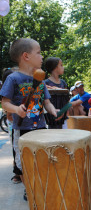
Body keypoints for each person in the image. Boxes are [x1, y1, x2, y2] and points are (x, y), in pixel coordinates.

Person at [0, 38, 58, 199]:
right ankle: (29, 190)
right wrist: (16, 109)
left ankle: (39, 186)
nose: (41, 57)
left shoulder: (40, 80)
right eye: (38, 53)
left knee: (41, 160)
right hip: (22, 129)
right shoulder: (13, 78)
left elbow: (46, 101)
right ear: (26, 56)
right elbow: (4, 103)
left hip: (40, 127)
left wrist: (53, 111)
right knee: (23, 163)